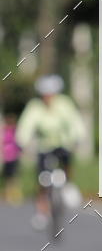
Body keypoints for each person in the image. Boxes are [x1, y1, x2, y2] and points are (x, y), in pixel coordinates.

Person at [15, 74, 86, 229]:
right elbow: (26, 125)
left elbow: (75, 122)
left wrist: (78, 137)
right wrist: (21, 142)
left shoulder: (64, 104)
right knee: (43, 179)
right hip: (44, 146)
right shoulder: (34, 106)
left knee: (67, 162)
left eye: (51, 94)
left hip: (63, 143)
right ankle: (42, 212)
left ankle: (68, 185)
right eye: (45, 94)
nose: (48, 97)